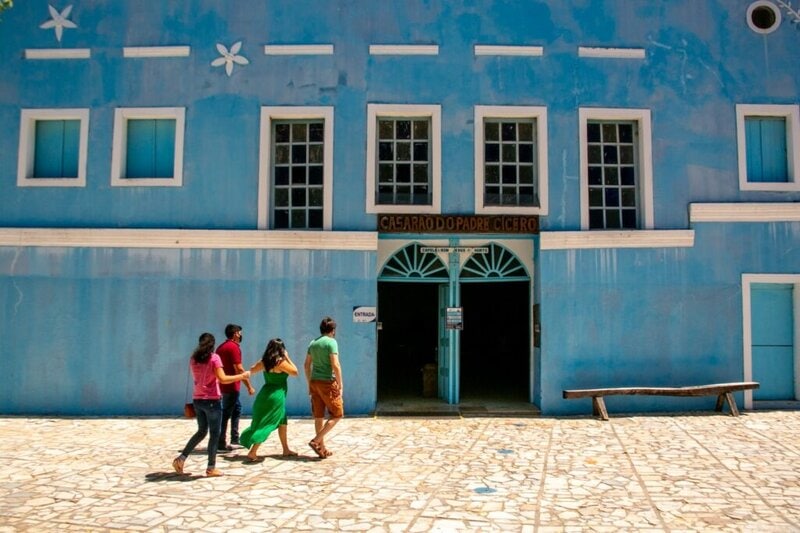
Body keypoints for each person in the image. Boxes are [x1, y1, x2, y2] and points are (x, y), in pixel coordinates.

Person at [172, 332, 251, 477]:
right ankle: (211, 467)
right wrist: (242, 376)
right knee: (214, 435)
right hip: (212, 401)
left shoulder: (193, 359)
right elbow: (223, 379)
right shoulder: (214, 358)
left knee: (201, 431)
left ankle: (181, 458)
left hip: (197, 400)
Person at [239, 338, 299, 461]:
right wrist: (287, 357)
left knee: (282, 421)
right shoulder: (280, 363)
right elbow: (295, 372)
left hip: (265, 394)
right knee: (268, 423)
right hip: (276, 396)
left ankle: (285, 449)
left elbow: (252, 368)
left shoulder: (265, 362)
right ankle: (253, 451)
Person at [304, 316, 343, 459]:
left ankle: (322, 448)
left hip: (314, 382)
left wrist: (309, 382)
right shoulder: (332, 342)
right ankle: (316, 441)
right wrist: (340, 384)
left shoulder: (313, 343)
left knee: (318, 415)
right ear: (332, 330)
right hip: (327, 382)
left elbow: (306, 365)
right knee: (338, 414)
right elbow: (335, 364)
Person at [216, 324, 255, 450]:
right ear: (235, 333)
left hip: (223, 385)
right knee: (227, 413)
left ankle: (234, 438)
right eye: (240, 332)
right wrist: (249, 386)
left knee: (235, 409)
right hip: (232, 386)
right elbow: (239, 369)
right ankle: (221, 441)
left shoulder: (220, 348)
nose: (241, 335)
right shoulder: (233, 348)